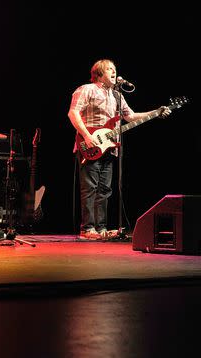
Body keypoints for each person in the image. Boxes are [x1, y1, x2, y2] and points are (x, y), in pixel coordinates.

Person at [68, 59, 170, 240]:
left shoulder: (117, 95)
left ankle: (100, 229)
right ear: (99, 73)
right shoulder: (86, 89)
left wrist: (156, 112)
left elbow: (130, 117)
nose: (114, 72)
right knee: (90, 188)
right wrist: (86, 136)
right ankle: (87, 229)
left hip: (109, 148)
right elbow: (73, 112)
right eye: (109, 69)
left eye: (114, 69)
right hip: (89, 144)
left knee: (105, 189)